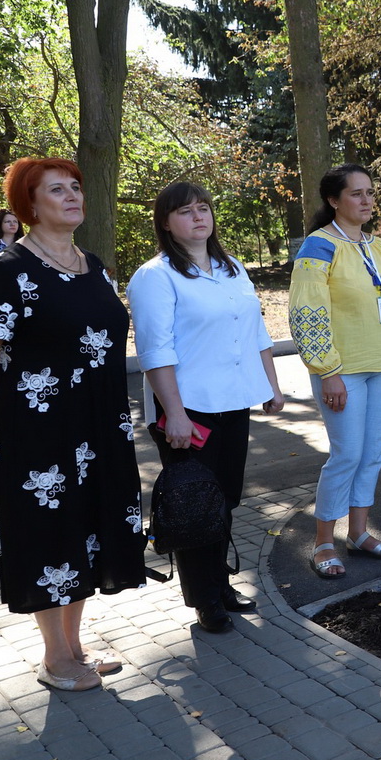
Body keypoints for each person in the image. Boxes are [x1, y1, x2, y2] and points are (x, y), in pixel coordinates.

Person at [0, 157, 146, 691]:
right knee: (50, 535)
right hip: (38, 435)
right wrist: (23, 414)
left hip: (102, 428)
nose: (72, 196)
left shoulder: (94, 265)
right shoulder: (6, 273)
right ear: (29, 205)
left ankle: (75, 648)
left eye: (76, 187)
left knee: (87, 530)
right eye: (56, 190)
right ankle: (54, 658)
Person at [128, 182, 285, 633]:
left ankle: (221, 583)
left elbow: (257, 334)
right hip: (189, 408)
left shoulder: (232, 267)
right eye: (185, 211)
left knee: (224, 500)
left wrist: (271, 387)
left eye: (203, 208)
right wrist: (173, 412)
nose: (198, 217)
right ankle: (204, 600)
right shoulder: (155, 276)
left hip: (232, 402)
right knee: (193, 504)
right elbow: (155, 350)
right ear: (165, 222)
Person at [289, 164, 381, 578]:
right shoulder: (318, 246)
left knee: (372, 454)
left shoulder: (377, 247)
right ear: (333, 200)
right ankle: (323, 541)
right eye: (356, 194)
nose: (366, 201)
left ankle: (359, 533)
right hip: (342, 371)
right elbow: (307, 313)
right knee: (347, 454)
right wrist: (327, 371)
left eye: (370, 193)